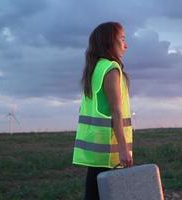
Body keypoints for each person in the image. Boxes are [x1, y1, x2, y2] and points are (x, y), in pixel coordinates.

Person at [72, 22, 133, 200]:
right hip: (109, 150)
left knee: (93, 194)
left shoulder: (96, 68)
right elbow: (116, 111)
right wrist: (123, 149)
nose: (126, 44)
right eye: (122, 39)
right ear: (109, 42)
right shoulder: (110, 69)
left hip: (96, 147)